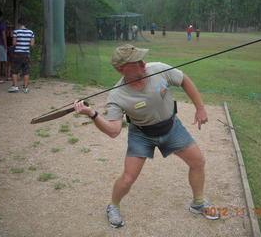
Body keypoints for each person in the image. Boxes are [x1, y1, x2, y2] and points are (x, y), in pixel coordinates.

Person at [73, 44, 220, 228]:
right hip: (141, 134)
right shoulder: (117, 95)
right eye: (137, 62)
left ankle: (198, 204)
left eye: (142, 58)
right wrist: (92, 114)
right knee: (127, 178)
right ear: (121, 69)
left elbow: (184, 80)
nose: (143, 63)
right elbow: (113, 131)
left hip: (172, 127)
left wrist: (200, 108)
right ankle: (113, 206)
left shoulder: (158, 69)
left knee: (198, 162)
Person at [8, 18, 34, 93]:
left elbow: (14, 43)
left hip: (17, 53)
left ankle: (15, 87)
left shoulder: (16, 32)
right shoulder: (30, 32)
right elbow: (32, 44)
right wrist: (26, 43)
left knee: (14, 70)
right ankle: (25, 88)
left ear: (19, 24)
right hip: (26, 53)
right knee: (26, 71)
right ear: (25, 24)